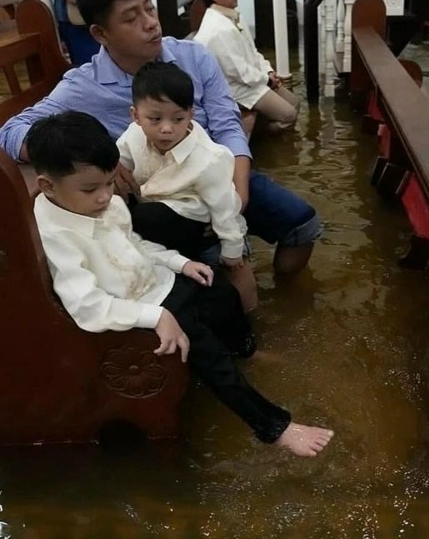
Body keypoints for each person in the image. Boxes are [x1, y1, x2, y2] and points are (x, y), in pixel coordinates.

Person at [26, 111, 334, 457]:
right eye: (91, 189)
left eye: (110, 183)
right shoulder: (54, 236)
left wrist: (180, 262)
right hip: (138, 311)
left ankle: (246, 351)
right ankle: (274, 427)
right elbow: (87, 306)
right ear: (48, 185)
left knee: (219, 289)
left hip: (158, 283)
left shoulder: (103, 205)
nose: (105, 196)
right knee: (208, 354)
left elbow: (135, 245)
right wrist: (154, 317)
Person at [0, 0, 320, 276]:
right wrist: (94, 155)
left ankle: (286, 298)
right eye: (132, 17)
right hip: (166, 201)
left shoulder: (193, 56)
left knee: (303, 225)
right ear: (100, 33)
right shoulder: (84, 87)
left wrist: (238, 192)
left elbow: (226, 124)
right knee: (226, 274)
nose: (151, 23)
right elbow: (10, 132)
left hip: (216, 172)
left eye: (149, 8)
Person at [117, 60, 258, 312]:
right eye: (155, 118)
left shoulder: (208, 159)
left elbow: (224, 207)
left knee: (234, 265)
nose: (167, 128)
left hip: (201, 219)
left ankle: (252, 317)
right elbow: (117, 163)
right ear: (135, 115)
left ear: (191, 115)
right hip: (159, 212)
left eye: (178, 118)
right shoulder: (132, 136)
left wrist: (232, 250)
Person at [194, 0, 300, 134]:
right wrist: (267, 81)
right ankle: (262, 137)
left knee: (295, 102)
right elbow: (238, 71)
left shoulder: (234, 16)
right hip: (237, 89)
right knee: (289, 115)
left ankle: (264, 127)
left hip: (252, 82)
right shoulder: (218, 29)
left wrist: (268, 71)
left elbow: (253, 52)